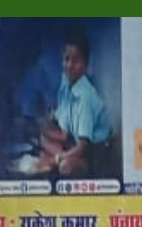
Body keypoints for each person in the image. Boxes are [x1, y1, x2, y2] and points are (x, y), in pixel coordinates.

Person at [44, 28, 113, 177]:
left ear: (86, 66)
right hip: (75, 140)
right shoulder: (66, 81)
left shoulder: (85, 98)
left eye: (75, 61)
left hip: (96, 150)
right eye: (66, 59)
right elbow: (64, 129)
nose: (69, 65)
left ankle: (74, 164)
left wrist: (58, 158)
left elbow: (83, 147)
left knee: (65, 166)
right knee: (43, 139)